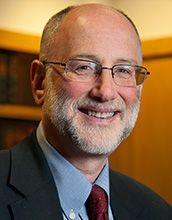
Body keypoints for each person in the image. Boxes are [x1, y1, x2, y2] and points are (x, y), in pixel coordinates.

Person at [0, 3, 171, 220]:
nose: (106, 91)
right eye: (84, 66)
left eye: (123, 70)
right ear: (40, 82)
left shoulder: (156, 211)